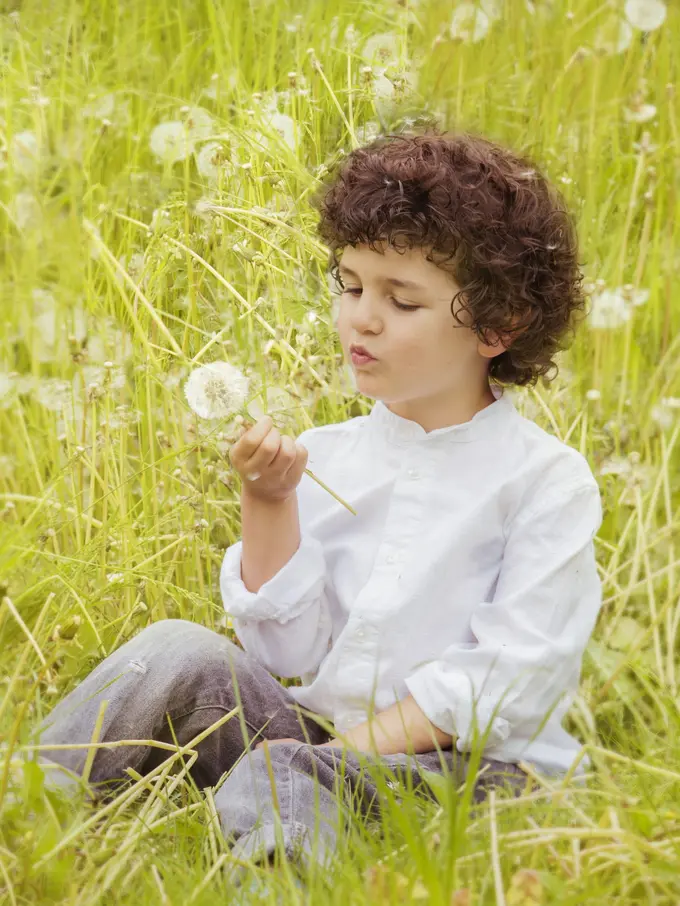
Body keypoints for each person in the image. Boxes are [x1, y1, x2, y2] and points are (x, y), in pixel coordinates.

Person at [29, 127, 602, 886]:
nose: (361, 318)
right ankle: (25, 805)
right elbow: (286, 658)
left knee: (281, 771)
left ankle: (275, 881)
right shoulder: (330, 457)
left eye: (401, 300)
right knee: (177, 650)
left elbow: (504, 682)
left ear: (499, 328)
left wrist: (327, 754)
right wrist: (269, 502)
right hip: (325, 745)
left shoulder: (544, 482)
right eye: (352, 285)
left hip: (471, 775)